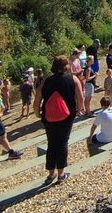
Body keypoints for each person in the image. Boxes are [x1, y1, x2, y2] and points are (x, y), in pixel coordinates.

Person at [36, 55, 84, 185]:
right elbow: (80, 97)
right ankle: (61, 173)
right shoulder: (73, 79)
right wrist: (79, 110)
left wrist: (37, 113)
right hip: (67, 115)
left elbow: (38, 98)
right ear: (66, 66)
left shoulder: (46, 81)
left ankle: (50, 174)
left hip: (49, 116)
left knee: (51, 143)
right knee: (62, 142)